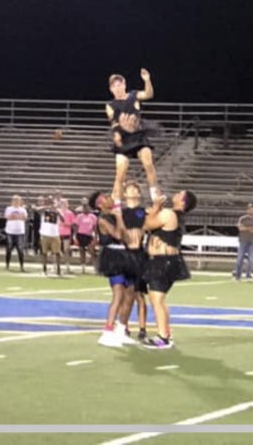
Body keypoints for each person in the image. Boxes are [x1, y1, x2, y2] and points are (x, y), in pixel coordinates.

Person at [141, 190, 196, 349]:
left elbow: (146, 225)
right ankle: (166, 333)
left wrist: (155, 207)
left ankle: (163, 337)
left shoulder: (169, 214)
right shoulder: (173, 215)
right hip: (165, 261)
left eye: (180, 194)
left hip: (162, 262)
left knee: (157, 300)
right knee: (158, 299)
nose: (176, 194)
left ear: (183, 202)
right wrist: (155, 210)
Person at [90, 191, 136, 348]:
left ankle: (121, 330)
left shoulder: (114, 215)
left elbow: (126, 237)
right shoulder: (103, 218)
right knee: (118, 294)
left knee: (130, 294)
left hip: (125, 254)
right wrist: (120, 218)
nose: (109, 198)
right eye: (105, 197)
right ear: (99, 204)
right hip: (113, 257)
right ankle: (107, 331)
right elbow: (117, 234)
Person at [106, 69, 160, 202]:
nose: (117, 88)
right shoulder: (110, 105)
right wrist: (117, 134)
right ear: (111, 89)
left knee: (148, 164)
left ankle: (155, 198)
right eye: (114, 86)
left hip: (138, 136)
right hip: (124, 138)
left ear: (124, 85)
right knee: (120, 172)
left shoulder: (133, 95)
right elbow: (114, 122)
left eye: (119, 84)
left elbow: (148, 94)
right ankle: (116, 203)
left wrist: (147, 80)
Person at [119, 182, 149, 341]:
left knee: (139, 294)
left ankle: (142, 328)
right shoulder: (120, 213)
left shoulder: (143, 212)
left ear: (139, 194)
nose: (132, 191)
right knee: (124, 294)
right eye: (129, 189)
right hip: (124, 254)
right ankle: (123, 326)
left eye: (135, 189)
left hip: (139, 255)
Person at [235, 203, 253, 281]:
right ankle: (238, 275)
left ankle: (248, 275)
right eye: (249, 209)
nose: (251, 211)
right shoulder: (242, 219)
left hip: (252, 242)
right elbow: (240, 228)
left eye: (252, 209)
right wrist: (250, 228)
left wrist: (246, 228)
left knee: (251, 260)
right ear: (247, 210)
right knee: (239, 259)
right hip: (243, 241)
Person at [38, 197, 63, 277]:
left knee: (57, 253)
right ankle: (44, 270)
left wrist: (57, 212)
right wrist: (47, 207)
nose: (51, 204)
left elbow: (63, 219)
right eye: (49, 202)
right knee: (44, 253)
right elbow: (37, 210)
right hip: (45, 234)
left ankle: (58, 270)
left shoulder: (58, 210)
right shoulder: (44, 210)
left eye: (52, 202)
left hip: (55, 235)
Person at [3, 195, 27, 272]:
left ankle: (21, 266)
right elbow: (8, 217)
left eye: (18, 200)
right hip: (10, 231)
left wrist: (15, 216)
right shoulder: (8, 209)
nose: (16, 202)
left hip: (20, 232)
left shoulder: (23, 209)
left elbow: (24, 218)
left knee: (20, 249)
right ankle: (7, 264)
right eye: (15, 200)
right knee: (9, 248)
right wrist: (18, 216)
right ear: (12, 201)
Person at [74, 202, 98, 274]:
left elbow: (95, 227)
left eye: (87, 207)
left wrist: (95, 235)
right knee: (82, 250)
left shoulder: (93, 217)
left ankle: (95, 266)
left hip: (89, 235)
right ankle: (83, 267)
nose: (85, 209)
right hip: (80, 234)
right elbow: (76, 226)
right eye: (84, 208)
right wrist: (75, 235)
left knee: (91, 250)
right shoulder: (79, 216)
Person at [57, 198, 76, 275]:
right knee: (56, 250)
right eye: (62, 203)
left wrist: (66, 224)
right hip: (58, 233)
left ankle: (67, 265)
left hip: (66, 233)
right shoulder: (58, 212)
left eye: (65, 203)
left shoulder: (70, 213)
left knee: (66, 250)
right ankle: (56, 266)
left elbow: (73, 223)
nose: (63, 204)